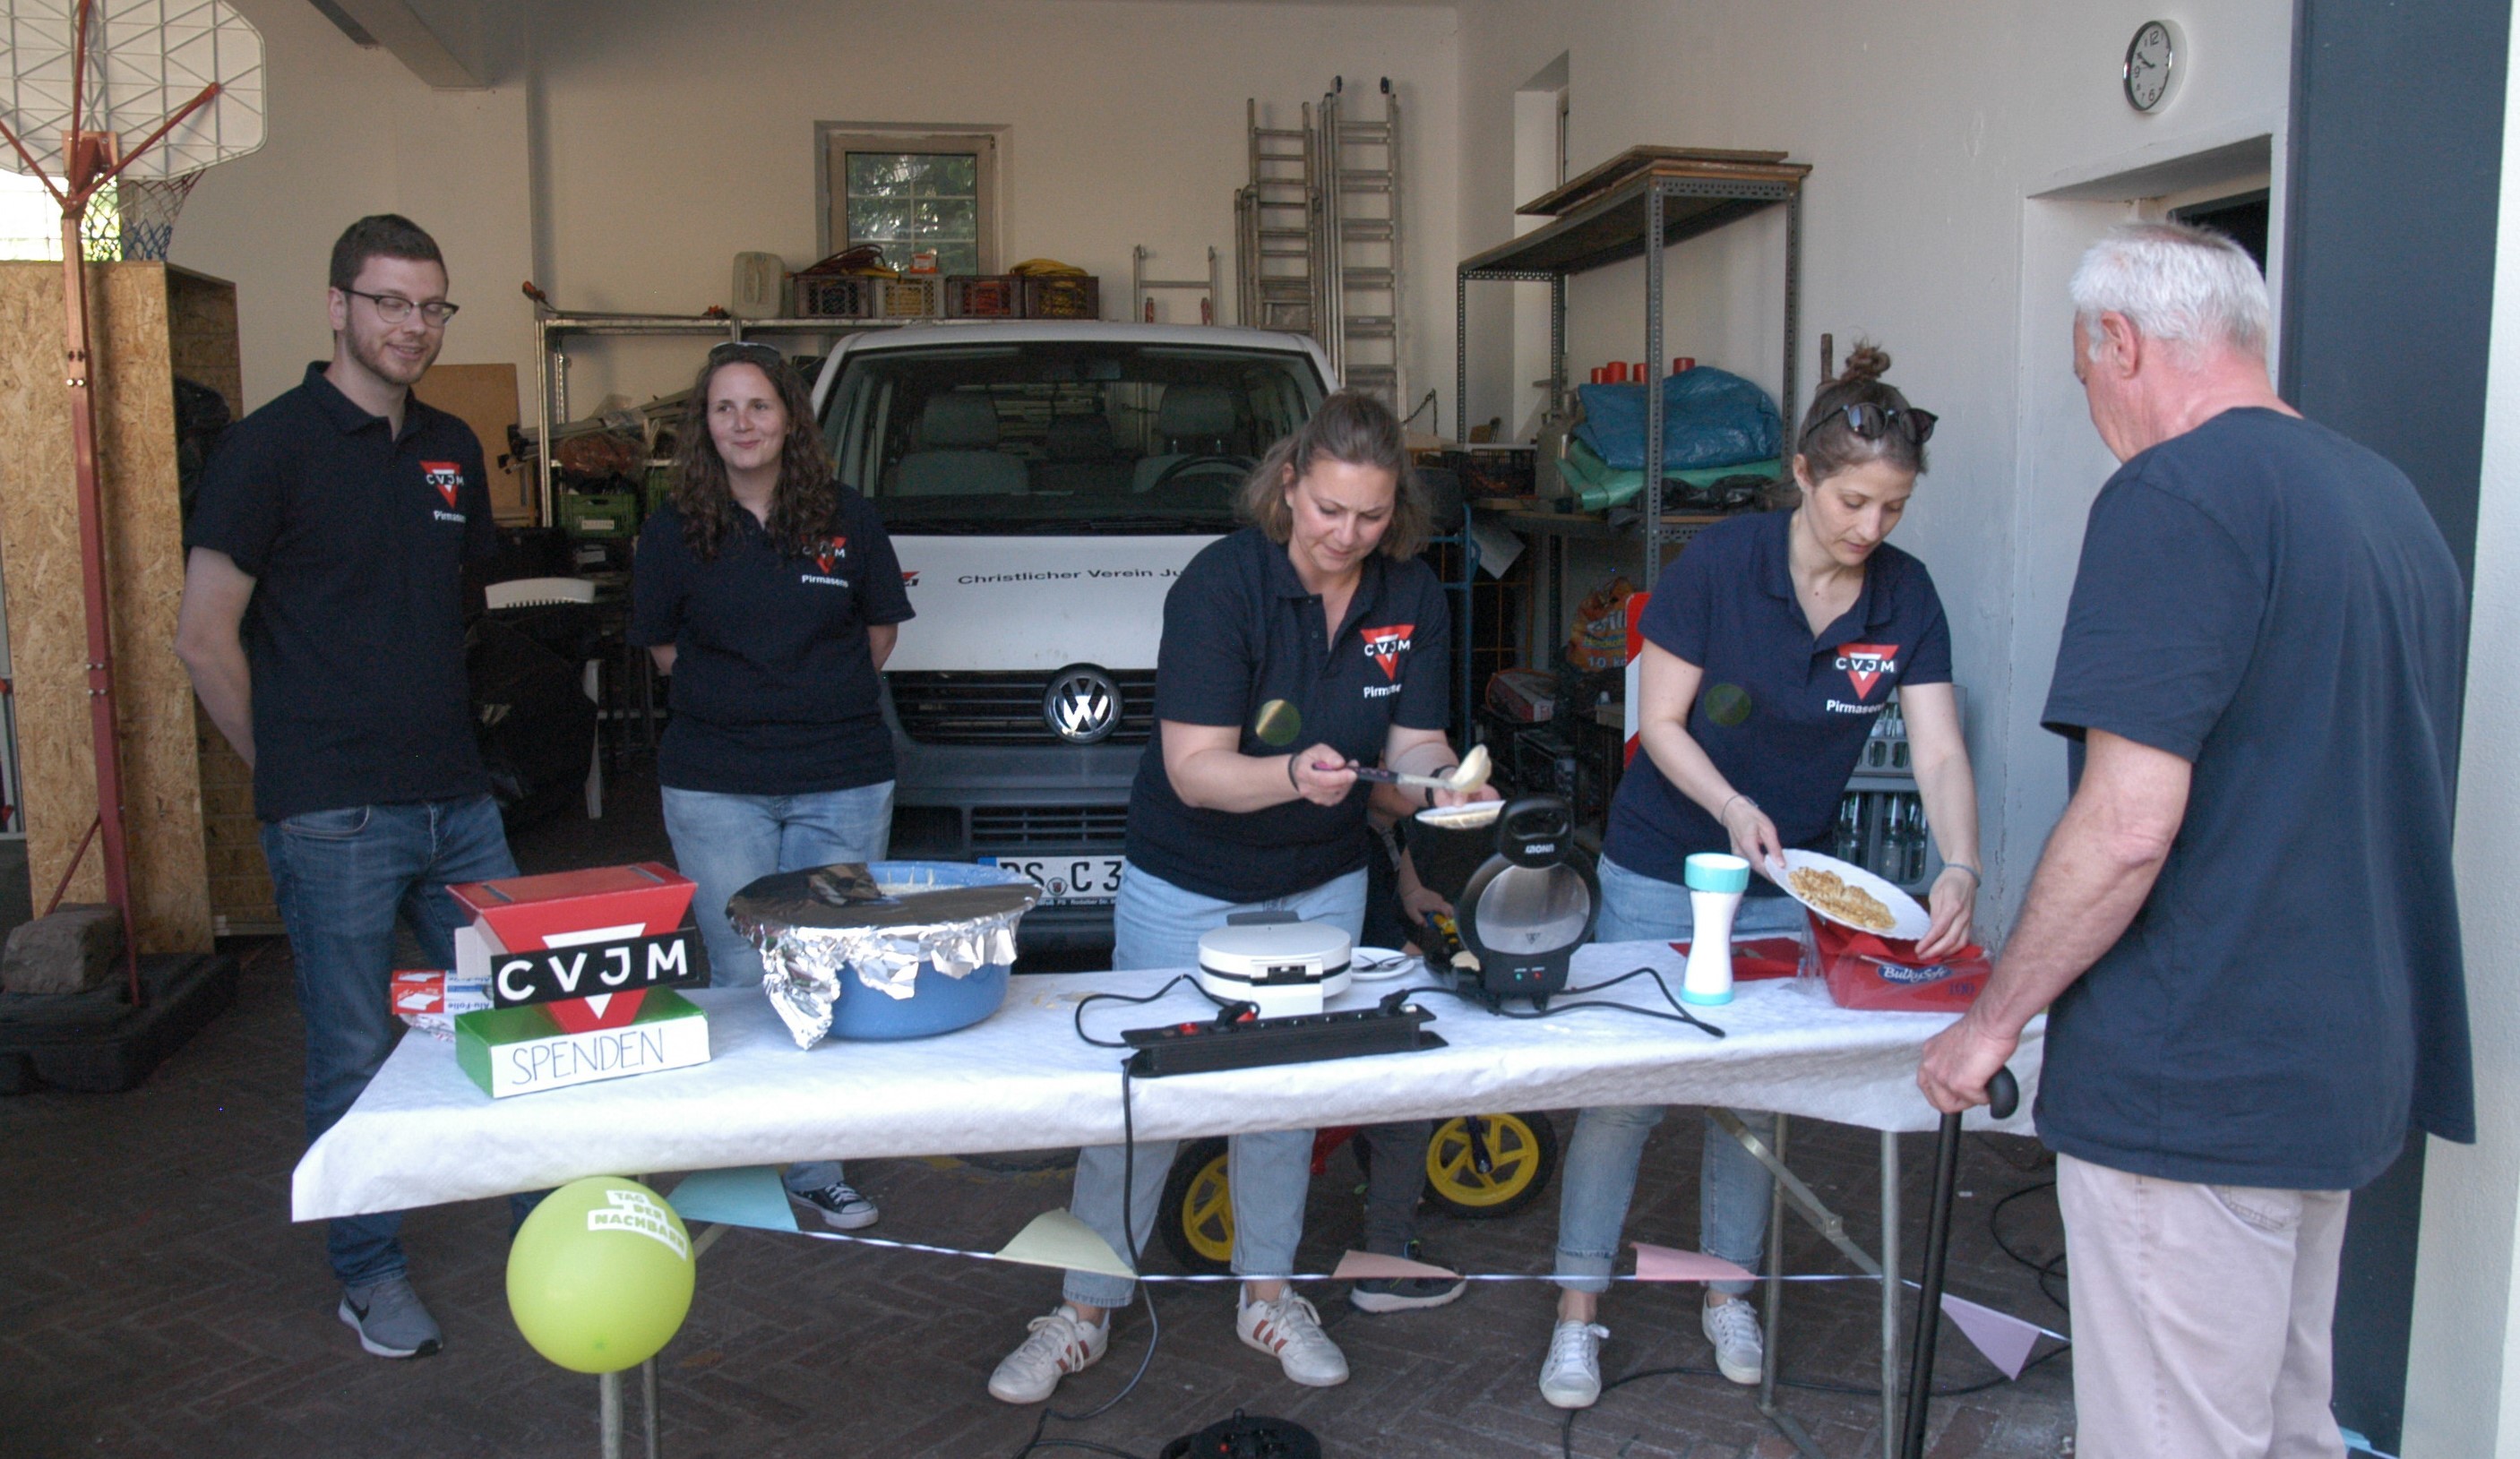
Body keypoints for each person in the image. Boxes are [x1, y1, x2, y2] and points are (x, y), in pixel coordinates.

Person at [1919, 222, 2473, 1459]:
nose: (2091, 409)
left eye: (2081, 376)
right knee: (2284, 1427)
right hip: (2337, 1066)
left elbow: (2124, 825)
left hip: (2198, 1076)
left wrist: (1993, 1020)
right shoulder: (2386, 503)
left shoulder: (2173, 495)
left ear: (2120, 340)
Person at [987, 390, 1490, 1403]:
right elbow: (1193, 769)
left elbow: (1408, 751)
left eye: (1372, 515)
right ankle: (1081, 1310)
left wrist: (1446, 781)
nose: (1347, 536)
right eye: (1329, 510)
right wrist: (1291, 776)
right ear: (1290, 482)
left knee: (1284, 1096)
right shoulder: (1222, 584)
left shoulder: (1411, 597)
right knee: (1142, 1102)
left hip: (1323, 882)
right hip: (1188, 882)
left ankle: (1268, 1294)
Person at [1537, 346, 1982, 1409]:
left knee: (1754, 1091)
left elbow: (1938, 752)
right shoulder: (1720, 566)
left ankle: (1725, 1289)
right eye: (1850, 500)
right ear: (1799, 474)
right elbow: (1660, 724)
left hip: (1793, 878)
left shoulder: (1903, 599)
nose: (1869, 528)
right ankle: (1576, 1312)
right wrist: (1730, 806)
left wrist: (1957, 861)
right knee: (1625, 1096)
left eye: (1891, 506)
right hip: (1662, 863)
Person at [175, 214, 514, 1360]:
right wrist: (293, 776)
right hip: (336, 816)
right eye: (387, 303)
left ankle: (544, 1217)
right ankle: (367, 1271)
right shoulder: (266, 449)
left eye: (430, 306)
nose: (411, 326)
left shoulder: (454, 447)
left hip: (457, 799)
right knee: (353, 1051)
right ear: (337, 306)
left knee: (515, 1016)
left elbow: (455, 610)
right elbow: (202, 637)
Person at [629, 341, 913, 1231]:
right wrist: (747, 705)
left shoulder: (847, 518)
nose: (742, 424)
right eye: (724, 409)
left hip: (839, 778)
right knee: (745, 958)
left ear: (789, 416)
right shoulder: (673, 530)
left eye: (758, 406)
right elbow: (664, 651)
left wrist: (806, 703)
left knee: (824, 957)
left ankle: (814, 1164)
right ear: (702, 426)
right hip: (718, 784)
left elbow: (877, 634)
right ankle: (747, 1148)